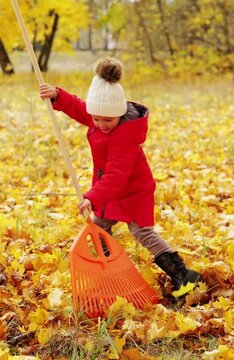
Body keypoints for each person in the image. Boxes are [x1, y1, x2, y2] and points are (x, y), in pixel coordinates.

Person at [38, 57, 200, 300]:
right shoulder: (99, 116)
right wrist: (57, 96)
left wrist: (91, 197)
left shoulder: (124, 138)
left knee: (141, 232)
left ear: (119, 114)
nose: (101, 124)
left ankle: (184, 276)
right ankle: (110, 270)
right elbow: (81, 108)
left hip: (131, 191)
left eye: (107, 120)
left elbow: (116, 177)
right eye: (96, 119)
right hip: (109, 191)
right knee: (99, 226)